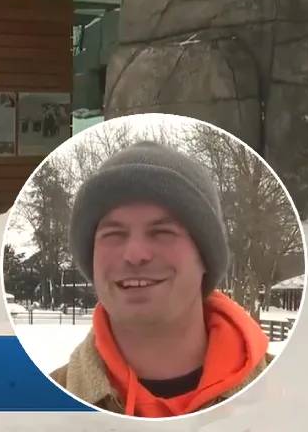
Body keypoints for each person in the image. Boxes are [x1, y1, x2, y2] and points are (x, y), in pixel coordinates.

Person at [49, 140, 273, 418]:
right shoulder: (43, 408)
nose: (135, 254)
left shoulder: (291, 395)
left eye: (162, 232)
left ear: (204, 256)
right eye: (114, 234)